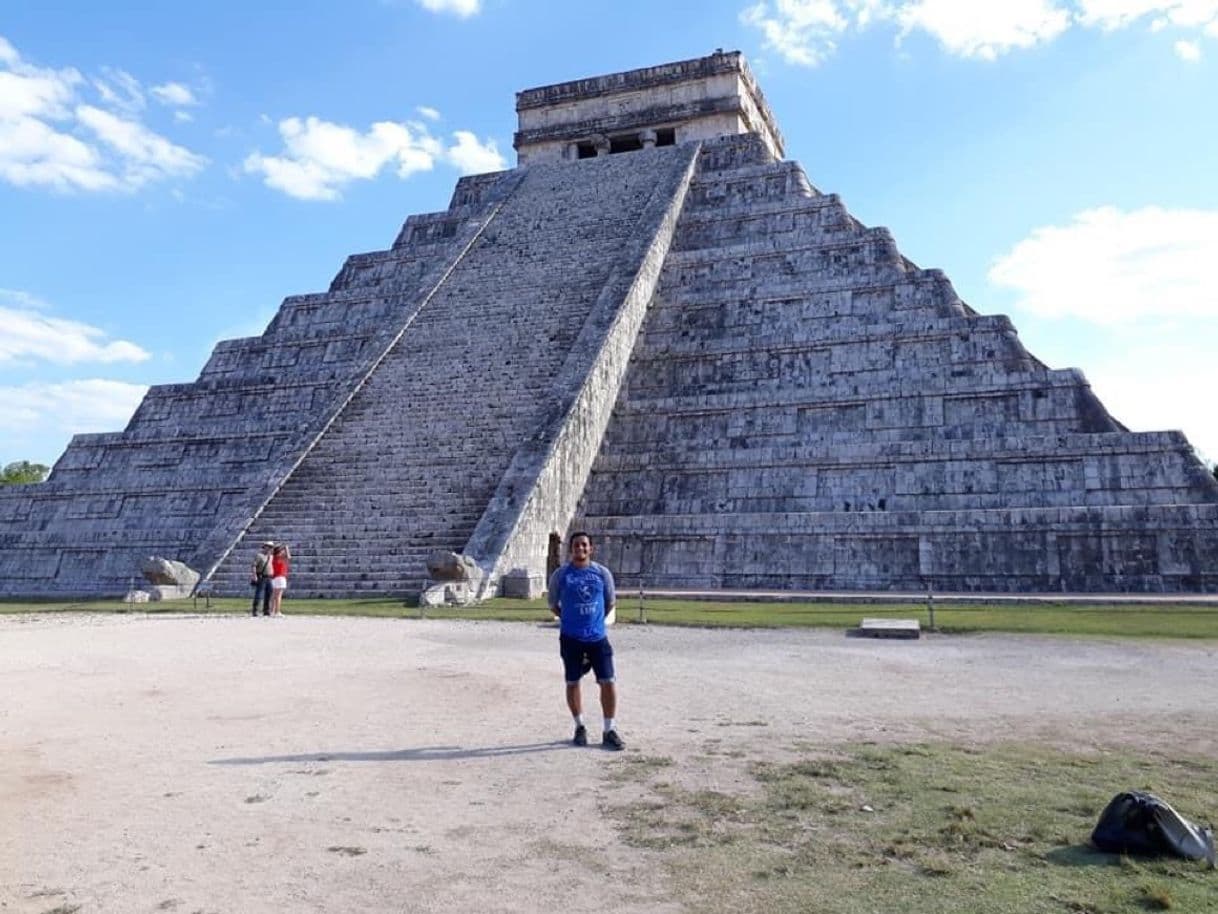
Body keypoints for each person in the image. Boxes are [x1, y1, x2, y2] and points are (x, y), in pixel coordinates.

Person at [548, 531, 624, 751]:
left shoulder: (602, 574)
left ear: (591, 548)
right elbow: (553, 603)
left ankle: (609, 729)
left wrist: (594, 622)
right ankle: (579, 726)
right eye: (576, 546)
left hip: (597, 638)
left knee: (608, 681)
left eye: (584, 545)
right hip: (571, 638)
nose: (580, 549)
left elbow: (610, 602)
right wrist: (570, 619)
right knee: (572, 682)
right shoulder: (561, 575)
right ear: (570, 549)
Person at [250, 541, 274, 617]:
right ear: (265, 547)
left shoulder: (271, 556)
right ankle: (255, 610)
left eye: (271, 547)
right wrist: (254, 575)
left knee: (269, 594)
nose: (269, 548)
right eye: (268, 546)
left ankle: (266, 610)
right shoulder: (259, 556)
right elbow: (254, 566)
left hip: (269, 577)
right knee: (259, 594)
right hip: (261, 576)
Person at [269, 543, 290, 617]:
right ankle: (277, 611)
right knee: (279, 596)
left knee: (274, 595)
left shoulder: (273, 557)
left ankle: (272, 611)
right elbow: (289, 557)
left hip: (275, 577)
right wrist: (286, 548)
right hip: (280, 577)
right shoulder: (280, 557)